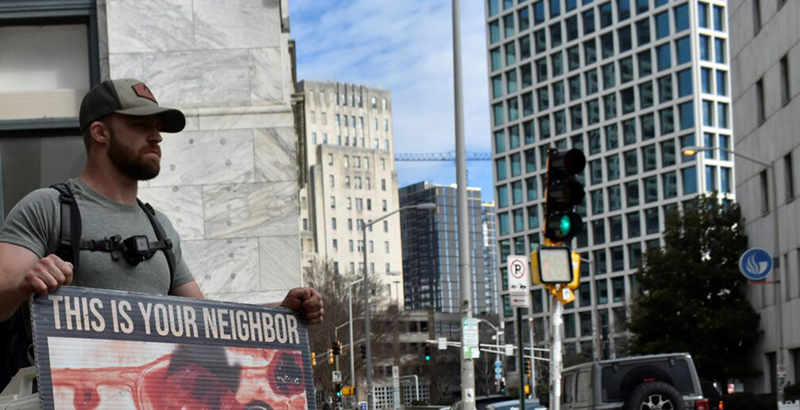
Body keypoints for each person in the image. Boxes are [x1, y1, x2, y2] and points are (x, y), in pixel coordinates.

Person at [0, 78, 324, 323]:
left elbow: (205, 318)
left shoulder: (159, 227)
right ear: (100, 133)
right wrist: (24, 284)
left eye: (157, 128)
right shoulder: (46, 207)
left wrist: (281, 311)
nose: (156, 136)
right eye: (141, 125)